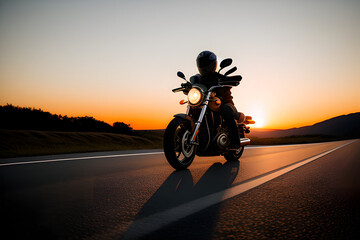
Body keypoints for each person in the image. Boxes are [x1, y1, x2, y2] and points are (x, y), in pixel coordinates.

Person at [190, 50, 245, 150]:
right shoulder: (199, 79)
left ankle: (235, 142)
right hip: (205, 103)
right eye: (202, 63)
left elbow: (234, 80)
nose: (204, 66)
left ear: (213, 64)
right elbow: (194, 85)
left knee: (226, 110)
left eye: (206, 63)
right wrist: (188, 86)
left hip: (224, 102)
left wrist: (228, 81)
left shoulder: (219, 77)